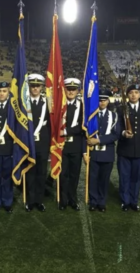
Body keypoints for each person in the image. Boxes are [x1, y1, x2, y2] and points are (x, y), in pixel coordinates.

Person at [83, 88, 120, 212]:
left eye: (104, 100)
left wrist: (99, 140)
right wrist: (85, 151)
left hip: (107, 152)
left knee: (104, 179)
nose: (102, 103)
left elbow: (116, 134)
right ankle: (93, 201)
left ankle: (102, 201)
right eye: (99, 100)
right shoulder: (90, 116)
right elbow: (84, 134)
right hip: (94, 152)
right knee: (93, 177)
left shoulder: (114, 116)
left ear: (108, 101)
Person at [117, 84, 140, 212]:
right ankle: (125, 201)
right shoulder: (121, 109)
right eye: (131, 92)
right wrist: (123, 133)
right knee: (124, 177)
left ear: (139, 94)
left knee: (136, 177)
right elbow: (118, 127)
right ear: (127, 94)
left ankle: (134, 201)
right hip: (125, 148)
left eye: (136, 92)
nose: (133, 95)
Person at [25, 74, 50, 212]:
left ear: (41, 87)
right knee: (30, 173)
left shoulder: (48, 102)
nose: (35, 88)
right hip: (28, 143)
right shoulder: (24, 102)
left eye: (37, 86)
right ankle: (30, 200)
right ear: (29, 87)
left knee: (41, 173)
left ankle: (39, 201)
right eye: (32, 85)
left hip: (42, 143)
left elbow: (51, 125)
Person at [59, 78, 83, 211]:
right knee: (63, 174)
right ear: (65, 90)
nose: (71, 91)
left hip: (75, 146)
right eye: (69, 89)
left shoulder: (82, 106)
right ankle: (63, 200)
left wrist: (67, 130)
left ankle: (72, 199)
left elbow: (83, 126)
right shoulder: (60, 105)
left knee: (74, 174)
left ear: (78, 90)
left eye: (74, 89)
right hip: (61, 145)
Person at [0, 82, 14, 214]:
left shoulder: (13, 108)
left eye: (4, 91)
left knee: (7, 177)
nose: (1, 94)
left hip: (9, 148)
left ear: (8, 92)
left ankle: (7, 202)